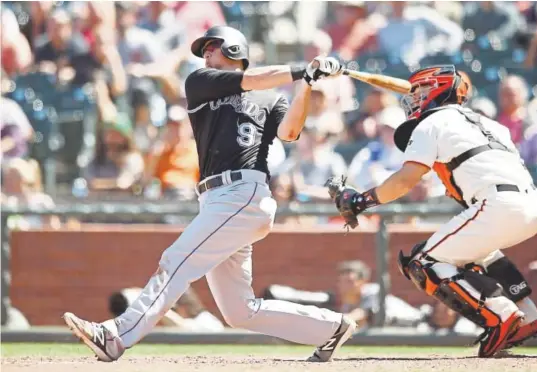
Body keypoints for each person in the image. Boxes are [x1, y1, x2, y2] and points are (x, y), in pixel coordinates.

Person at [63, 25, 355, 363]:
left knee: (176, 260)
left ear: (234, 49)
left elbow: (290, 131)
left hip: (244, 194)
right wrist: (302, 68)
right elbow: (253, 80)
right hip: (215, 200)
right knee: (238, 311)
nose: (205, 54)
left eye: (212, 47)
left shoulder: (271, 97)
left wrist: (308, 82)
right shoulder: (200, 82)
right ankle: (331, 328)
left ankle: (115, 335)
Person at [326, 65, 537, 358]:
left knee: (422, 261)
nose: (413, 97)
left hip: (498, 205)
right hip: (534, 205)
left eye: (419, 91)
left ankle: (503, 316)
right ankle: (528, 316)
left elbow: (404, 181)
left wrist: (359, 202)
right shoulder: (492, 124)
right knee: (479, 253)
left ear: (437, 90)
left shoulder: (432, 122)